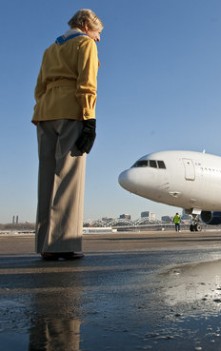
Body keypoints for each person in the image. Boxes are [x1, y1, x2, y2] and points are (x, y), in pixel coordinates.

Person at [32, 9, 103, 261]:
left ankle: (45, 245)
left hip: (44, 114)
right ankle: (65, 243)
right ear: (85, 25)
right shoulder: (84, 44)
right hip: (71, 110)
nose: (98, 39)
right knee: (70, 177)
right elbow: (87, 84)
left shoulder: (50, 49)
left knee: (47, 177)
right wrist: (89, 119)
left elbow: (39, 88)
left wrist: (43, 109)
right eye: (97, 33)